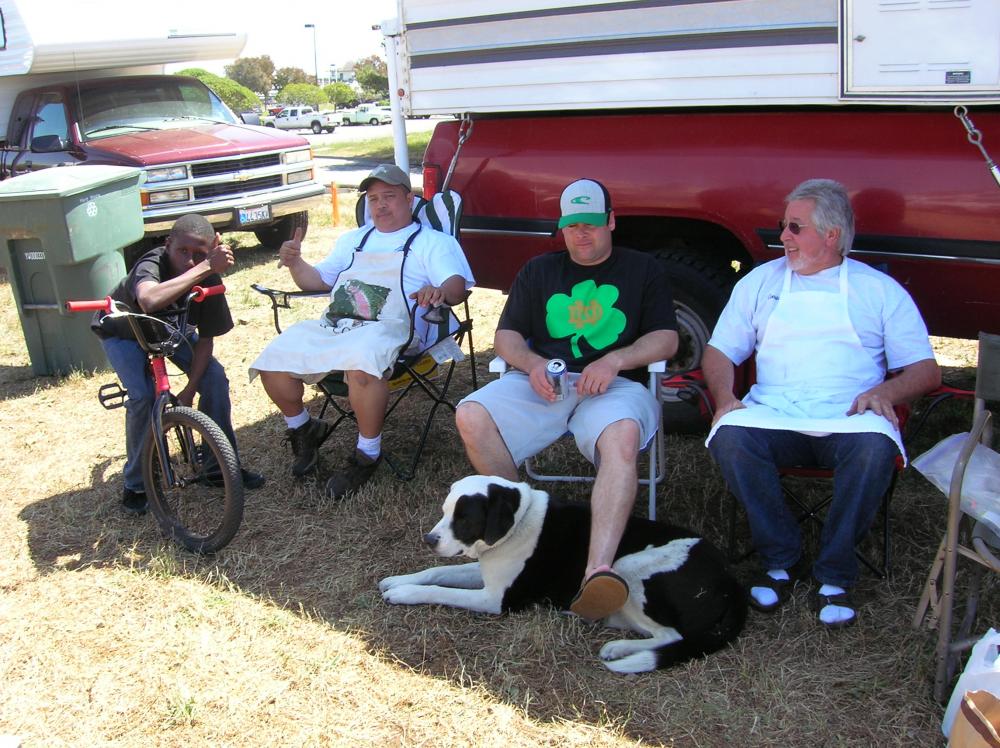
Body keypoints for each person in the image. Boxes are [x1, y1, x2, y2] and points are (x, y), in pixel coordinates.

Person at [703, 178, 941, 628]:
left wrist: (885, 393)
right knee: (730, 437)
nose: (784, 237)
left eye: (795, 227)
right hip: (772, 415)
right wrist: (725, 398)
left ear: (831, 236)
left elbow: (926, 371)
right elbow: (719, 351)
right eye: (783, 226)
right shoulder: (761, 282)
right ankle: (779, 557)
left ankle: (835, 572)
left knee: (874, 450)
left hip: (849, 418)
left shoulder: (878, 290)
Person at [455, 178, 679, 621]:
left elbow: (667, 339)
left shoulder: (642, 269)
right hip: (547, 383)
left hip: (615, 385)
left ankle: (597, 572)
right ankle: (520, 534)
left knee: (622, 438)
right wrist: (534, 364)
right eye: (572, 224)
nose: (582, 233)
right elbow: (506, 338)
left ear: (611, 221)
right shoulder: (539, 270)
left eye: (591, 224)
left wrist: (615, 360)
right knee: (471, 414)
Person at [250, 164, 474, 499]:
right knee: (273, 361)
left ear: (409, 200)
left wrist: (438, 291)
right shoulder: (353, 239)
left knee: (362, 363)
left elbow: (457, 288)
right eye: (373, 199)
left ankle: (367, 453)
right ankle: (304, 428)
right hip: (338, 324)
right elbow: (318, 282)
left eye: (389, 197)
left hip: (395, 327)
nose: (381, 205)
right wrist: (296, 263)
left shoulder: (433, 242)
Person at [95, 214, 264, 515]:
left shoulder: (208, 278)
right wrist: (205, 265)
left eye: (199, 254)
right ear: (168, 243)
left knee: (214, 379)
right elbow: (148, 300)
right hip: (124, 334)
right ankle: (135, 483)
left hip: (171, 334)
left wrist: (189, 390)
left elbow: (206, 340)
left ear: (213, 247)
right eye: (182, 252)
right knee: (144, 397)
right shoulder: (152, 263)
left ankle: (217, 467)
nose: (189, 261)